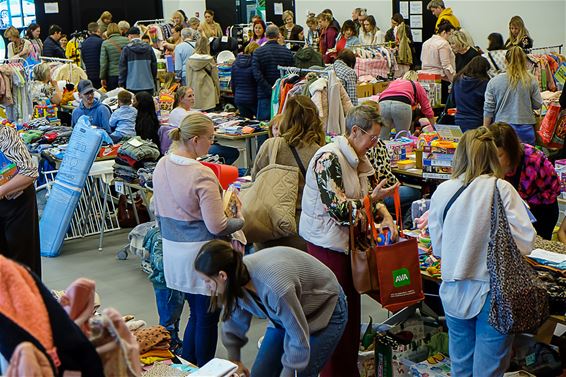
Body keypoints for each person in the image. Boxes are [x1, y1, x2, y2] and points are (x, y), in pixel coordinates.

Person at [428, 126, 536, 376]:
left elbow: (439, 247)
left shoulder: (443, 190)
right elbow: (526, 243)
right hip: (492, 292)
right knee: (488, 370)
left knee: (461, 367)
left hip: (453, 288)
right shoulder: (501, 189)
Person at [300, 105, 398, 377]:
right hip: (327, 246)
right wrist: (374, 201)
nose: (375, 144)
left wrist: (384, 213)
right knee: (334, 316)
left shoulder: (357, 158)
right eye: (372, 138)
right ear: (355, 131)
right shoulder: (328, 158)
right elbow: (340, 210)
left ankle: (346, 370)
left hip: (348, 245)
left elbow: (366, 194)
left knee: (350, 315)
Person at [152, 112, 244, 366]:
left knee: (196, 314)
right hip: (202, 256)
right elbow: (217, 225)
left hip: (173, 251)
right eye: (210, 138)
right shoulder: (201, 174)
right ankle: (204, 369)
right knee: (207, 318)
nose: (211, 144)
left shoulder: (162, 164)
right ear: (195, 140)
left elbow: (156, 210)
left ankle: (189, 366)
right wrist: (241, 219)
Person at [194, 240, 347, 377]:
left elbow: (298, 340)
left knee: (300, 373)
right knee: (261, 373)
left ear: (222, 275)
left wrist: (289, 371)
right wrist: (235, 362)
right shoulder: (234, 279)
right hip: (285, 315)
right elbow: (233, 324)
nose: (206, 286)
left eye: (207, 281)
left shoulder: (276, 288)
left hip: (325, 307)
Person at [251, 96, 326, 251]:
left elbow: (255, 180)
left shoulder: (271, 146)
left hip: (266, 227)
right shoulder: (319, 153)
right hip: (300, 232)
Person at [489, 122, 560, 240]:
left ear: (511, 150)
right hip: (512, 210)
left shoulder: (534, 159)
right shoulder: (488, 161)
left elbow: (554, 188)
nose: (494, 161)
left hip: (540, 211)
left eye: (499, 155)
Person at [0, 124, 41, 277]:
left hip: (18, 204)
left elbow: (30, 172)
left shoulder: (5, 134)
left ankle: (29, 299)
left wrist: (2, 191)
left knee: (22, 264)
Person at [483, 46, 542, 145]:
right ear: (524, 61)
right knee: (526, 159)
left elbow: (488, 109)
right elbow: (538, 104)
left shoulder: (494, 82)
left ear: (505, 61)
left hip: (501, 130)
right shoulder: (531, 80)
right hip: (525, 129)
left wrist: (485, 130)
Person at [252, 25, 294, 121]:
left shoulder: (258, 52)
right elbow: (291, 74)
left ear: (266, 35)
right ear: (278, 36)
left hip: (264, 95)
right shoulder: (287, 52)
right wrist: (277, 90)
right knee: (281, 125)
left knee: (263, 128)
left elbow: (256, 75)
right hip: (282, 94)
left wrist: (270, 89)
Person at [378, 70, 435, 139]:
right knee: (402, 139)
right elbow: (426, 108)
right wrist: (435, 128)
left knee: (382, 138)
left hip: (383, 104)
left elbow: (382, 95)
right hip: (402, 104)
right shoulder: (416, 84)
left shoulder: (394, 83)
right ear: (416, 79)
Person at [420, 20, 456, 103]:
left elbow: (422, 59)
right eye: (450, 34)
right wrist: (453, 80)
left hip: (424, 79)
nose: (451, 37)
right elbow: (446, 65)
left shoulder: (426, 43)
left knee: (428, 105)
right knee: (440, 107)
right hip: (440, 80)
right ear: (444, 32)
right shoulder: (443, 44)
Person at [452, 56, 490, 132]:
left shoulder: (457, 80)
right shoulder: (484, 83)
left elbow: (453, 100)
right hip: (478, 121)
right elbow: (488, 105)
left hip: (459, 120)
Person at [119, 27, 157, 96]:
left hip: (131, 85)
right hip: (148, 84)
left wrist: (121, 83)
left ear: (130, 36)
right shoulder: (149, 48)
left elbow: (123, 68)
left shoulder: (126, 49)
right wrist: (153, 79)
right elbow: (154, 66)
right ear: (139, 35)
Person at [186, 36, 220, 111]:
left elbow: (188, 79)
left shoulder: (190, 60)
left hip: (194, 94)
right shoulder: (210, 60)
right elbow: (216, 79)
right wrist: (218, 92)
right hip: (208, 94)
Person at [231, 42, 259, 119]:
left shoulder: (235, 63)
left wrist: (235, 95)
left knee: (245, 124)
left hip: (239, 98)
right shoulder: (255, 64)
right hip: (253, 98)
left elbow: (233, 83)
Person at [100, 23, 129, 91]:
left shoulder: (105, 43)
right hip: (126, 73)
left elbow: (103, 63)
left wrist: (102, 77)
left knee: (113, 98)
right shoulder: (127, 40)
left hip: (112, 75)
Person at [81, 22, 104, 88]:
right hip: (100, 73)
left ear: (89, 32)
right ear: (98, 30)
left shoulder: (84, 43)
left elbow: (83, 58)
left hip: (90, 73)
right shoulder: (101, 42)